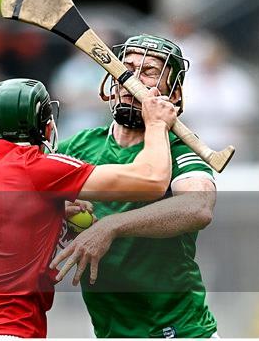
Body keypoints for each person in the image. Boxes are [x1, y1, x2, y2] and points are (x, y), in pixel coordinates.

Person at [0, 77, 177, 338]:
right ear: (47, 127)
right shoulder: (35, 166)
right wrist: (156, 123)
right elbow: (151, 180)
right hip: (3, 329)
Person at [52, 34, 218, 338]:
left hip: (180, 331)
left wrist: (112, 226)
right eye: (126, 68)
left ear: (175, 94)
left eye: (150, 72)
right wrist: (54, 208)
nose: (132, 80)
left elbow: (198, 207)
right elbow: (22, 193)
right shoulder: (77, 147)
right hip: (108, 332)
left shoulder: (178, 149)